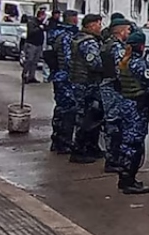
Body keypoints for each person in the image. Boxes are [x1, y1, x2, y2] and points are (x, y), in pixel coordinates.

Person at [117, 29, 149, 195]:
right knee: (134, 144)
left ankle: (124, 178)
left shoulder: (123, 62)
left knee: (126, 142)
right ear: (141, 46)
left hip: (126, 104)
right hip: (137, 107)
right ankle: (129, 181)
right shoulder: (139, 64)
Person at [68, 14, 105, 164]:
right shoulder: (88, 42)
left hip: (81, 82)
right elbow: (95, 64)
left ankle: (91, 147)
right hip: (86, 84)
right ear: (91, 26)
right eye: (98, 24)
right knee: (86, 118)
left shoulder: (78, 38)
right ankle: (79, 150)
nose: (100, 27)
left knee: (92, 117)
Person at [100, 17, 132, 173]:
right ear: (121, 31)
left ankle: (112, 158)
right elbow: (121, 70)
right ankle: (112, 160)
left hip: (107, 86)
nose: (129, 33)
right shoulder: (117, 47)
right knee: (114, 125)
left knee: (112, 124)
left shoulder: (107, 44)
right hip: (113, 88)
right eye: (127, 30)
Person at [45, 10, 79, 154]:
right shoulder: (66, 36)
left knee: (61, 109)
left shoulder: (56, 33)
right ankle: (63, 142)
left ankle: (58, 140)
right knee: (67, 110)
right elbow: (67, 59)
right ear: (72, 19)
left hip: (59, 76)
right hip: (65, 77)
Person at [23, 8, 47, 84]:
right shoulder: (32, 22)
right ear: (41, 15)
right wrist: (39, 28)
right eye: (44, 16)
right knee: (29, 60)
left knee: (35, 62)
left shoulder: (42, 23)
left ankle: (32, 76)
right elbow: (31, 32)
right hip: (31, 43)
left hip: (38, 44)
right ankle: (25, 75)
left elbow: (46, 29)